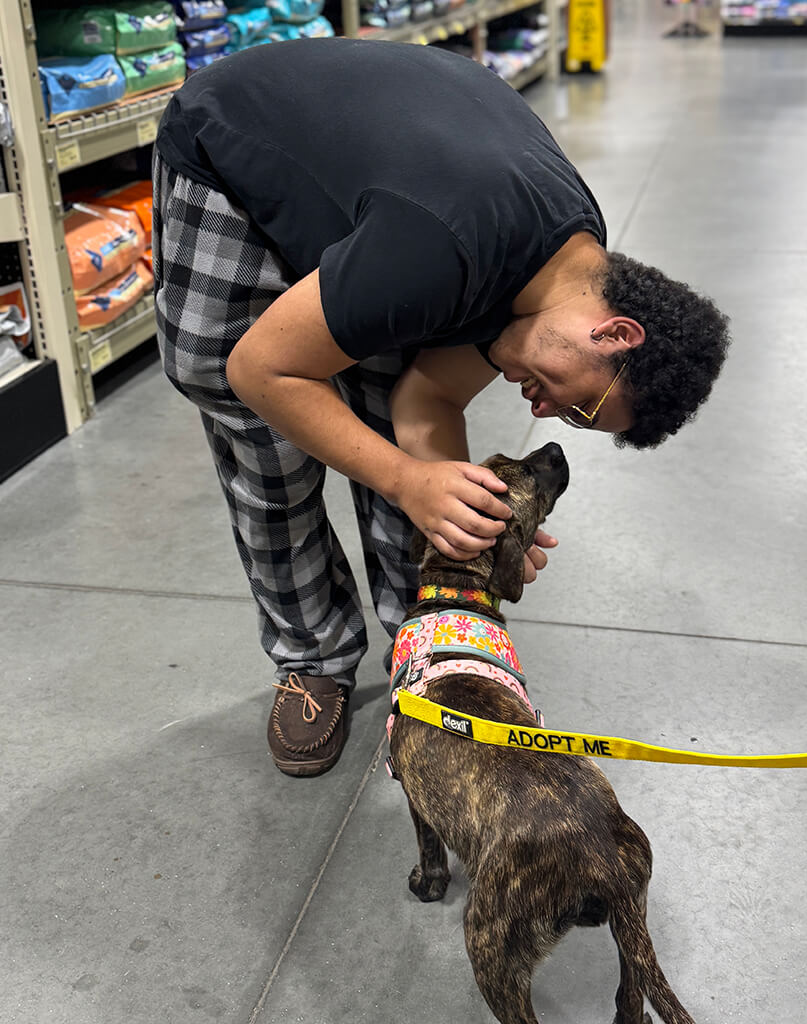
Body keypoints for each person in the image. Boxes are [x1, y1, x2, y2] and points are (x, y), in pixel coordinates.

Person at [152, 36, 729, 778]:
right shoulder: (444, 250)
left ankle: (419, 650)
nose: (550, 415)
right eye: (583, 407)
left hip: (381, 198)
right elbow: (258, 369)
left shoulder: (569, 274)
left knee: (384, 418)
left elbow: (430, 396)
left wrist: (463, 512)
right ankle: (312, 656)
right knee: (271, 440)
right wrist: (403, 479)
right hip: (231, 147)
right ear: (613, 332)